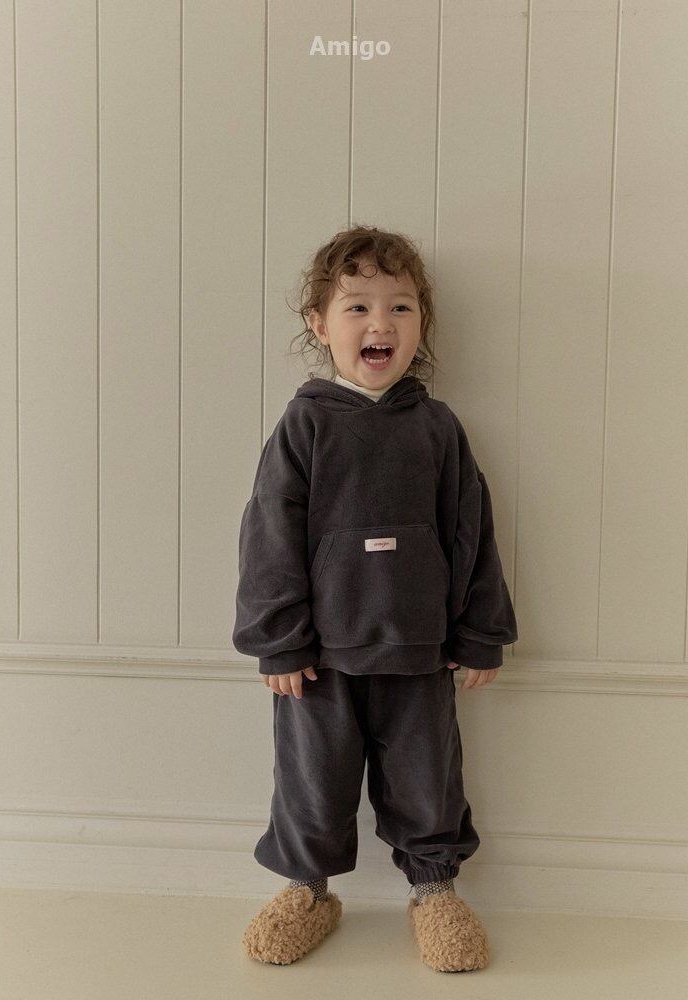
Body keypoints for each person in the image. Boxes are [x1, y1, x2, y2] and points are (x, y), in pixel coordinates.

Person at [232, 224, 518, 972]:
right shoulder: (303, 425)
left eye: (400, 306)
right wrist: (278, 641)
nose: (379, 323)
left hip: (421, 650)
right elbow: (268, 536)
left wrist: (481, 631)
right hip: (319, 659)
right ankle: (306, 890)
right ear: (319, 324)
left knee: (429, 777)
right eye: (357, 306)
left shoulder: (438, 428)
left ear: (421, 323)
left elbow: (471, 531)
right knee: (313, 783)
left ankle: (434, 889)